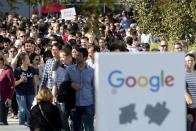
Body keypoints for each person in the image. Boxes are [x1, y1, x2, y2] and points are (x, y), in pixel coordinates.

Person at [64, 48, 95, 131]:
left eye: (79, 55)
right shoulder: (69, 70)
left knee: (89, 128)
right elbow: (64, 85)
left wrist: (95, 106)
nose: (76, 57)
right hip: (74, 105)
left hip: (88, 104)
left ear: (85, 58)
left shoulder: (92, 72)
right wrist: (71, 84)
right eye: (76, 55)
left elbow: (95, 90)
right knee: (76, 128)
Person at [14, 52, 37, 126]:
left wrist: (36, 93)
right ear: (23, 61)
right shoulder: (17, 70)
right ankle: (21, 125)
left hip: (31, 93)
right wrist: (20, 80)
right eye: (27, 58)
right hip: (20, 93)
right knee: (22, 110)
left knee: (30, 110)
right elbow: (13, 83)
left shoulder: (32, 69)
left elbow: (35, 82)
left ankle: (30, 125)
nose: (29, 59)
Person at [0, 52, 15, 125]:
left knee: (3, 121)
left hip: (4, 100)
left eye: (0, 59)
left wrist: (9, 98)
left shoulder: (7, 71)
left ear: (3, 60)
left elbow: (12, 85)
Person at [185, 53, 196, 131]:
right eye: (188, 60)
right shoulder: (182, 74)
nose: (190, 62)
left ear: (194, 62)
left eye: (192, 60)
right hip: (190, 107)